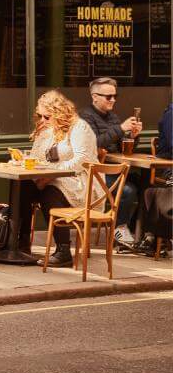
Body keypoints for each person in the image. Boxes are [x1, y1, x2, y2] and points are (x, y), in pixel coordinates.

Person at [25, 90, 98, 267]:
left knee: (51, 192)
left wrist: (53, 173)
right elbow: (35, 157)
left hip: (80, 183)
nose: (42, 120)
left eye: (47, 116)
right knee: (23, 187)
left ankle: (63, 251)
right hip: (49, 178)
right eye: (39, 116)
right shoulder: (46, 130)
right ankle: (19, 246)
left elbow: (80, 160)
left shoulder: (79, 127)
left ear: (59, 113)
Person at [78, 77, 146, 247]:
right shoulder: (84, 117)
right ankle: (119, 228)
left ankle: (139, 230)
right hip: (94, 172)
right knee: (127, 191)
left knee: (149, 187)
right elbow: (93, 144)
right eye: (109, 97)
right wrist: (121, 129)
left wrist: (132, 136)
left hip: (116, 168)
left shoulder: (113, 117)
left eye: (115, 96)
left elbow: (120, 146)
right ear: (95, 97)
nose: (113, 100)